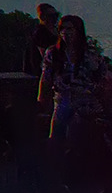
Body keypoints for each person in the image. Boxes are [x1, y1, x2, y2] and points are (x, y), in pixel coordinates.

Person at [38, 13, 110, 182]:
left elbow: (103, 77)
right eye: (62, 29)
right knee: (56, 138)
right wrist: (41, 99)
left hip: (86, 101)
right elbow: (45, 78)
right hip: (63, 99)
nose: (65, 33)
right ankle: (57, 178)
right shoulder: (53, 53)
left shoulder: (90, 55)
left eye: (70, 29)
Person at [24, 4, 62, 77]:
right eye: (51, 16)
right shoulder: (40, 33)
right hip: (42, 72)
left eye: (56, 15)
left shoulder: (57, 32)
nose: (54, 18)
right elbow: (44, 54)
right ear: (42, 17)